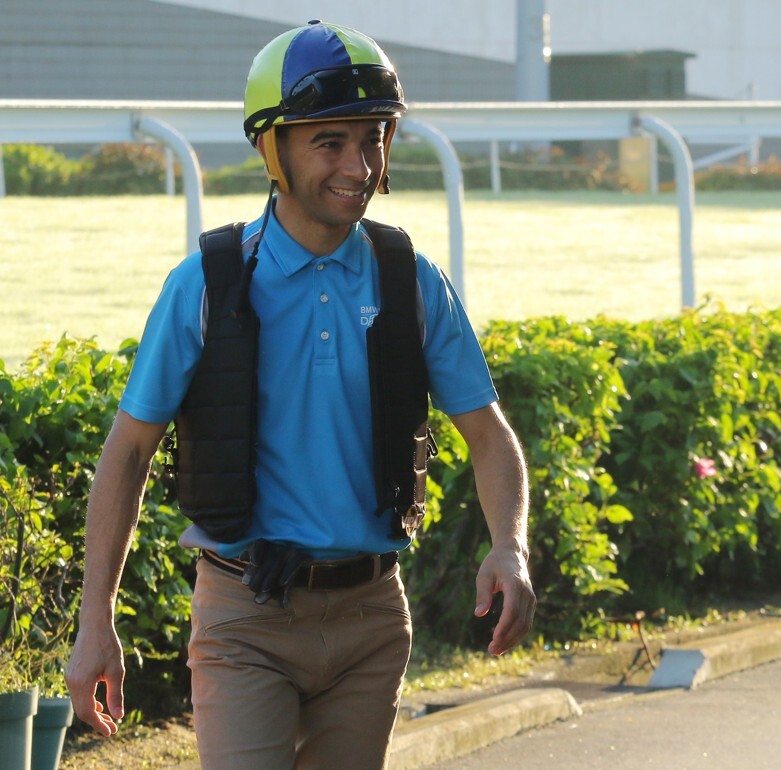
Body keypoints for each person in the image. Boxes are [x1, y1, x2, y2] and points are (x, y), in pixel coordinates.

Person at [65, 20, 536, 768]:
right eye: (331, 142)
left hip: (373, 618)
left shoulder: (412, 280)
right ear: (271, 149)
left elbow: (489, 434)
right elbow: (127, 453)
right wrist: (97, 623)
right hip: (246, 616)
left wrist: (509, 547)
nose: (360, 164)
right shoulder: (205, 287)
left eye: (375, 138)